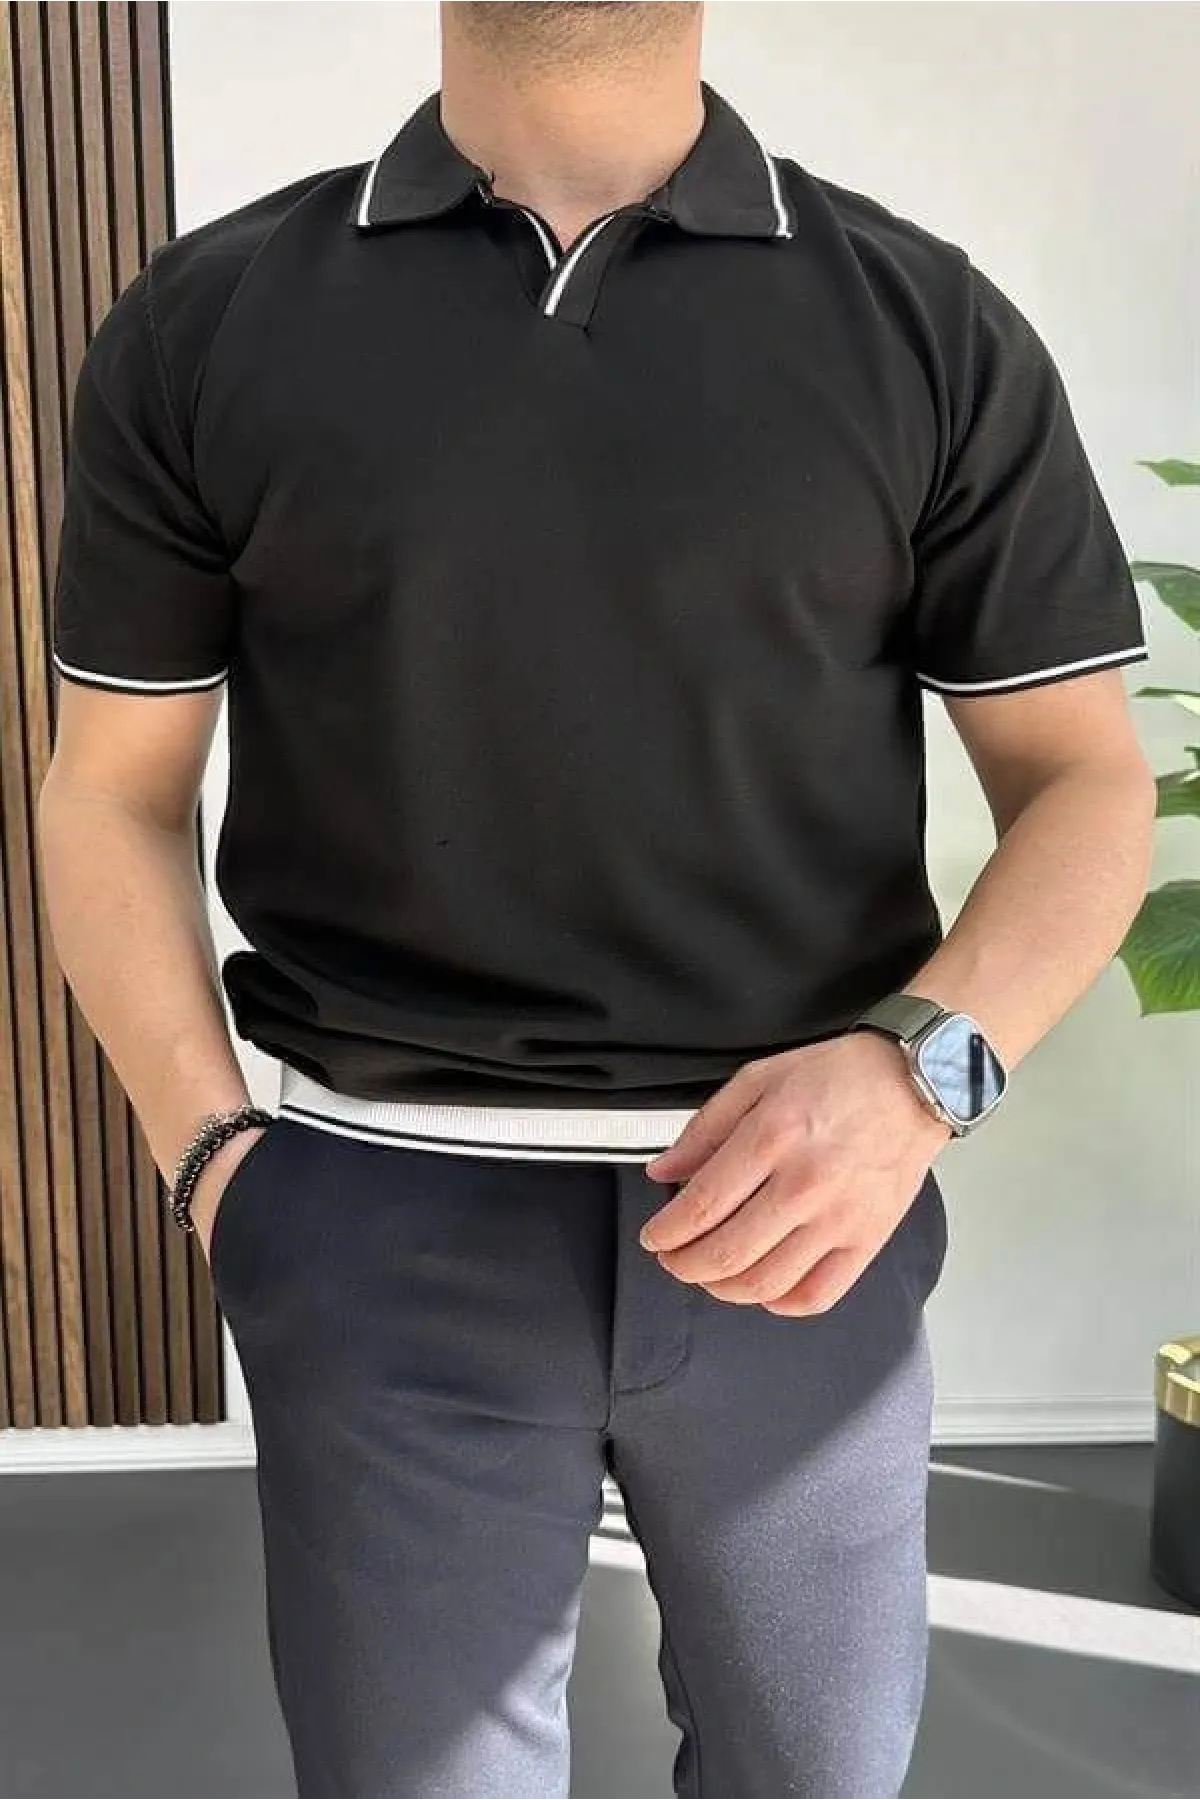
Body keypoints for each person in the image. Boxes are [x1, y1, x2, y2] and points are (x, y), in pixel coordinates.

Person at [37, 1, 1157, 1795]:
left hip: (813, 1219)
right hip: (380, 1225)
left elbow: (1084, 781)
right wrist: (214, 1166)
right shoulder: (208, 320)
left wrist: (917, 1080)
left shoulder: (925, 322)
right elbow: (111, 791)